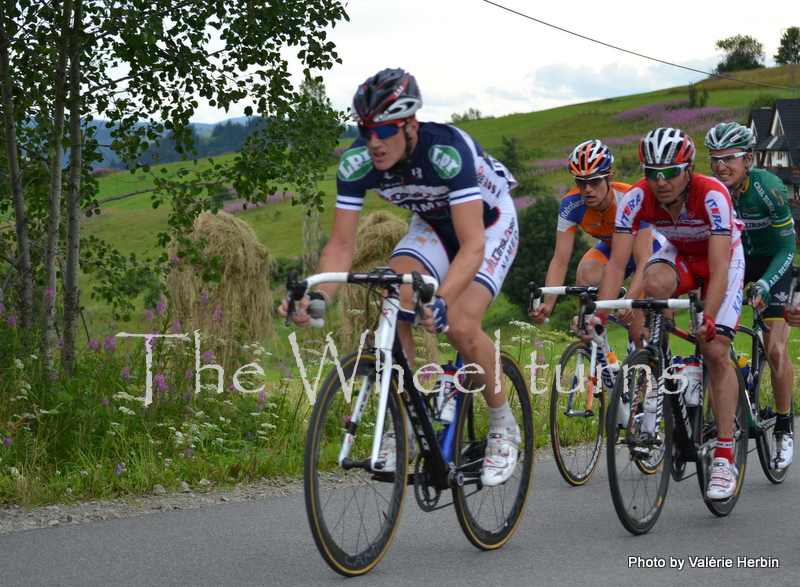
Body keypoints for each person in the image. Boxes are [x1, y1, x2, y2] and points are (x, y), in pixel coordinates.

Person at [278, 68, 520, 486]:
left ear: (410, 124)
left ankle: (503, 424)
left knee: (461, 323)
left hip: (487, 226)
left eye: (385, 130)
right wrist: (316, 297)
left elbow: (473, 245)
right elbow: (340, 245)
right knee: (395, 291)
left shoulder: (446, 150)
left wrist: (441, 299)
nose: (373, 142)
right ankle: (409, 414)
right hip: (431, 226)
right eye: (365, 130)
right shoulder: (358, 163)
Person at [579, 127, 745, 500]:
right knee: (652, 282)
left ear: (689, 170)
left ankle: (723, 455)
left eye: (670, 172)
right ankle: (662, 363)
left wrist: (708, 318)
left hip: (722, 259)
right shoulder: (637, 198)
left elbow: (718, 270)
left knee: (716, 349)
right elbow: (617, 263)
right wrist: (599, 317)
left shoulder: (712, 194)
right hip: (682, 254)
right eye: (652, 172)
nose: (661, 180)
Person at [705, 122, 795, 468]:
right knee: (713, 343)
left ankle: (784, 427)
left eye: (730, 158)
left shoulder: (768, 188)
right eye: (714, 159)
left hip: (774, 263)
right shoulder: (713, 190)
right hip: (736, 262)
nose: (721, 166)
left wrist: (766, 284)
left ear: (750, 159)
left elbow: (788, 246)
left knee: (774, 349)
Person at [530, 139, 657, 354]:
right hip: (613, 249)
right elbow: (560, 259)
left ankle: (645, 376)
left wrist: (631, 299)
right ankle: (598, 347)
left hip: (648, 249)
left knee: (637, 332)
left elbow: (644, 258)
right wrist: (549, 303)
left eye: (595, 181)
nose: (587, 189)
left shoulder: (630, 198)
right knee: (586, 276)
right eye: (581, 182)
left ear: (610, 178)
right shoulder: (571, 205)